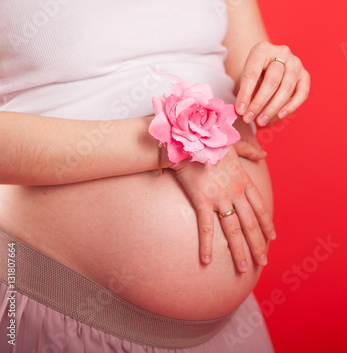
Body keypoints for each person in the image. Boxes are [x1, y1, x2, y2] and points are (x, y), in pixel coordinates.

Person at [0, 0, 310, 352]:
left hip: (228, 332)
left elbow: (247, 89)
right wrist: (174, 144)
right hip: (65, 313)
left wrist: (276, 76)